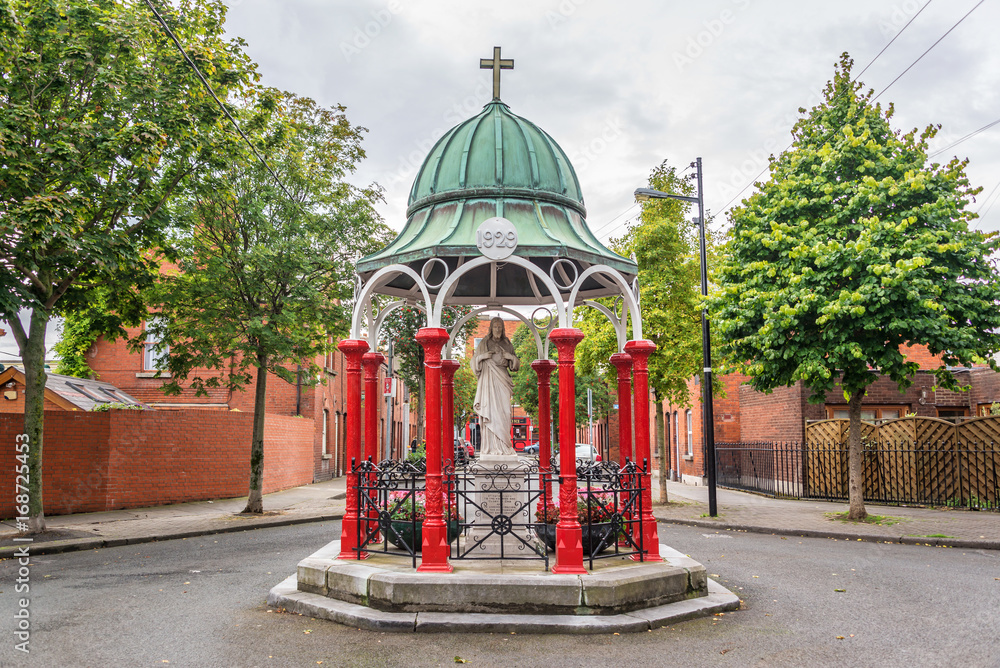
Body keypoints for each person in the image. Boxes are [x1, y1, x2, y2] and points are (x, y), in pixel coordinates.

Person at [471, 317, 521, 456]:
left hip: (503, 380)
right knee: (491, 412)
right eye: (495, 327)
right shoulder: (484, 343)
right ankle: (491, 448)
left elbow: (516, 364)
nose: (498, 329)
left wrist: (510, 357)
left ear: (503, 328)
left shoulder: (507, 343)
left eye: (500, 327)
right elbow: (474, 362)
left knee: (505, 412)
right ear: (491, 328)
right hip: (488, 381)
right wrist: (483, 357)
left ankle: (505, 446)